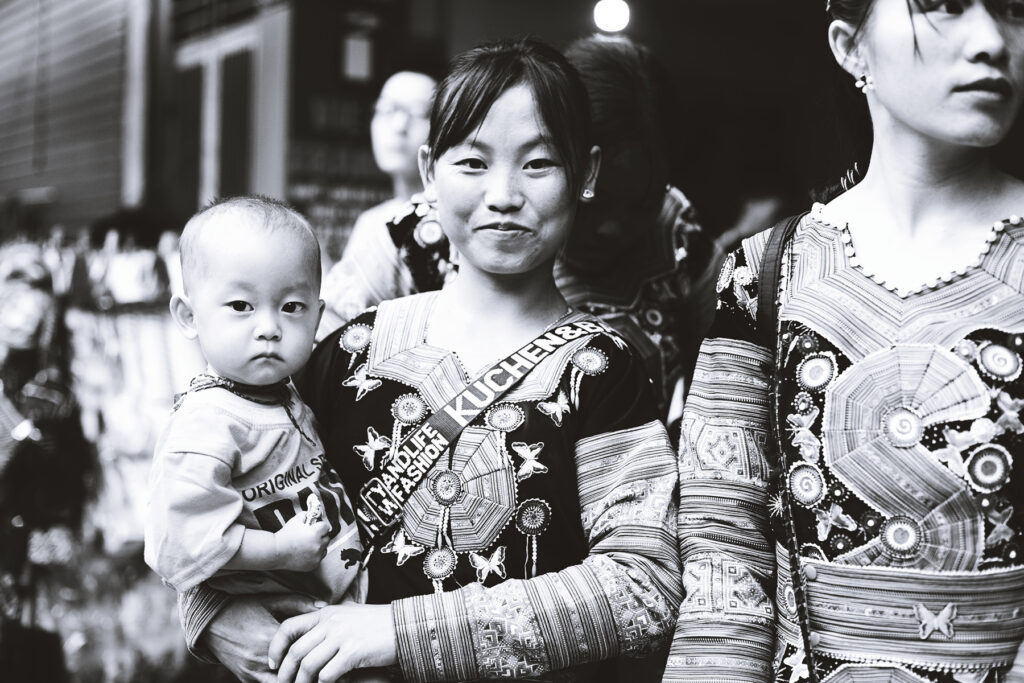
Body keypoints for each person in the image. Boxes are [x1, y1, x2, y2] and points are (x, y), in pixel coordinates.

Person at [180, 38, 681, 683]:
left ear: (585, 174)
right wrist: (209, 612)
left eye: (539, 164)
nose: (503, 194)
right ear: (427, 172)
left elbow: (643, 584)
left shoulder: (606, 373)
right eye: (472, 163)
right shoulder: (345, 352)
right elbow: (208, 491)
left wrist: (400, 630)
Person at [665, 1, 1024, 681]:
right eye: (944, 5)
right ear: (850, 47)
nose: (991, 41)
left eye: (1012, 9)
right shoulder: (765, 272)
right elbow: (724, 565)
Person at [144, 197, 364, 679]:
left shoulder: (275, 393)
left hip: (337, 612)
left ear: (318, 315)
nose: (269, 328)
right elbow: (178, 544)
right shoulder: (207, 424)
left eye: (292, 307)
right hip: (278, 628)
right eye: (241, 306)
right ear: (187, 316)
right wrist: (279, 551)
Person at [316, 71, 443, 338]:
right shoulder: (372, 220)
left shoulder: (446, 218)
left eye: (419, 113)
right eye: (386, 110)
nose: (398, 125)